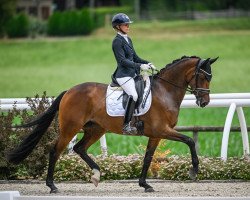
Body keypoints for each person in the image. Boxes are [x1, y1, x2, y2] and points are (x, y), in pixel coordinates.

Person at [111, 13, 156, 135]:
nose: (128, 26)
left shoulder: (128, 39)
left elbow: (135, 57)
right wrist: (139, 66)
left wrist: (148, 63)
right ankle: (126, 125)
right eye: (126, 25)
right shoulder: (117, 42)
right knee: (134, 95)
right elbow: (122, 61)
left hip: (132, 73)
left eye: (128, 24)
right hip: (123, 75)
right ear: (118, 26)